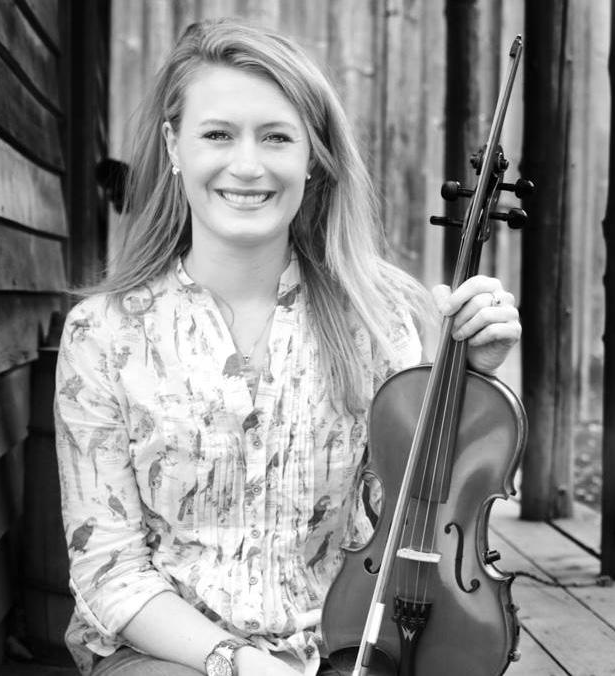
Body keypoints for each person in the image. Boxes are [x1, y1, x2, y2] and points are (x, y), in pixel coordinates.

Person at [54, 19, 521, 676]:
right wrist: (244, 665)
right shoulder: (102, 335)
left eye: (276, 136)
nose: (248, 165)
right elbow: (109, 571)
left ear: (313, 157)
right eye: (218, 134)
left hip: (347, 647)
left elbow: (417, 521)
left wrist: (467, 383)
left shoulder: (376, 318)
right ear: (174, 145)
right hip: (171, 655)